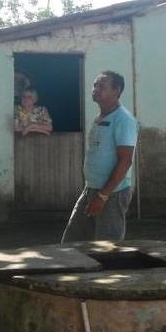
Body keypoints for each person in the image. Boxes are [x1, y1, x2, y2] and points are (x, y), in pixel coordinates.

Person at [61, 71, 138, 242]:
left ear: (116, 90)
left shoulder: (123, 120)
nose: (95, 89)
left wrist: (103, 196)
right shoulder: (100, 117)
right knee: (72, 242)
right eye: (95, 85)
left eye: (101, 86)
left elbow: (125, 161)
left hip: (112, 193)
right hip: (91, 189)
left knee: (107, 247)